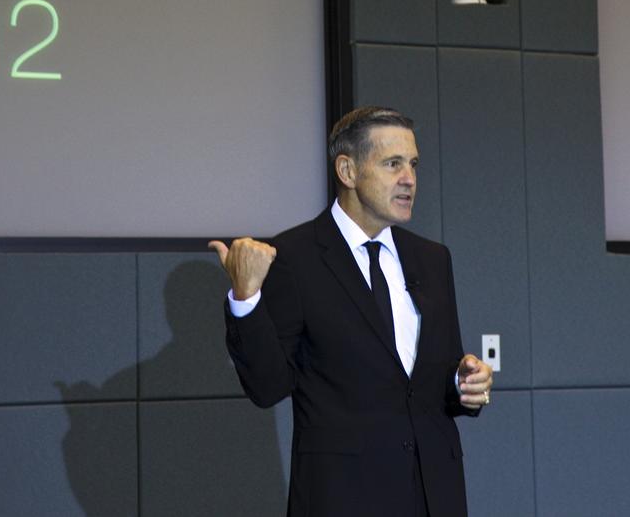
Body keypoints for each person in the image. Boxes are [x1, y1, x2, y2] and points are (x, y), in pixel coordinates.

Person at [209, 106, 493, 517]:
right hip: (344, 498)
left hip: (435, 495)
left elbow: (431, 381)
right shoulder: (295, 257)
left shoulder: (433, 259)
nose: (409, 179)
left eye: (413, 164)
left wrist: (465, 382)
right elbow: (268, 386)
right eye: (392, 164)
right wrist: (246, 297)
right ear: (347, 170)